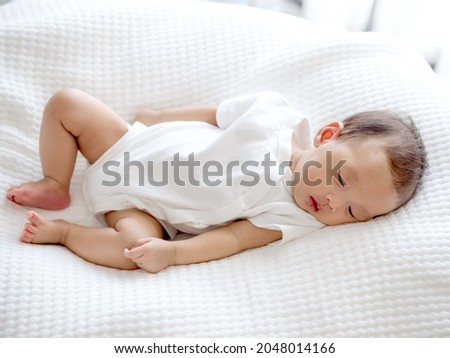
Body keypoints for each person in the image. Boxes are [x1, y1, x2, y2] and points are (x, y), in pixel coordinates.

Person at [6, 89, 426, 273]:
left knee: (129, 251)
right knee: (68, 103)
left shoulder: (294, 214)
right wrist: (156, 118)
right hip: (128, 145)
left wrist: (173, 253)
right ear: (327, 135)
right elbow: (215, 114)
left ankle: (63, 232)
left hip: (143, 210)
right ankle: (55, 182)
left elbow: (234, 239)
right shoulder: (273, 114)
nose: (333, 201)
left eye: (353, 212)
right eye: (341, 178)